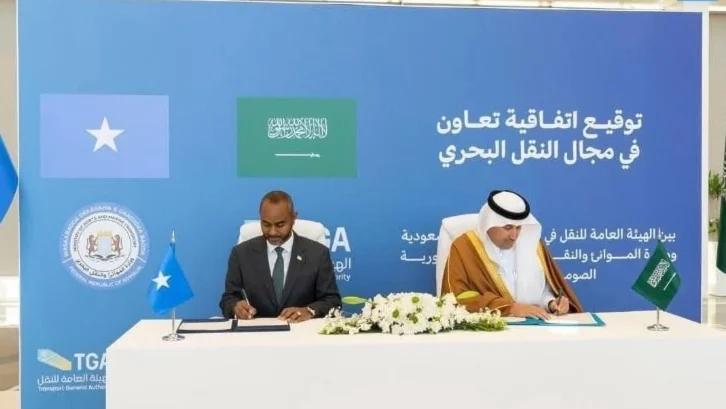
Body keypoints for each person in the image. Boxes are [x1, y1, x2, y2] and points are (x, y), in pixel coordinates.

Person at [441, 189, 583, 319]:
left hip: (536, 328)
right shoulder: (464, 248)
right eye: (508, 228)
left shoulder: (531, 243)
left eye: (518, 227)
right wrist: (510, 308)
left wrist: (551, 303)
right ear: (489, 224)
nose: (514, 236)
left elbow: (540, 290)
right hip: (492, 330)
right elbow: (455, 298)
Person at [219, 191, 341, 322]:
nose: (272, 232)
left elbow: (333, 301)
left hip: (301, 331)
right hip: (256, 331)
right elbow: (228, 299)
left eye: (280, 225)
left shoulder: (318, 254)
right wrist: (235, 307)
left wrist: (309, 311)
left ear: (294, 218)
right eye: (266, 224)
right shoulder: (240, 254)